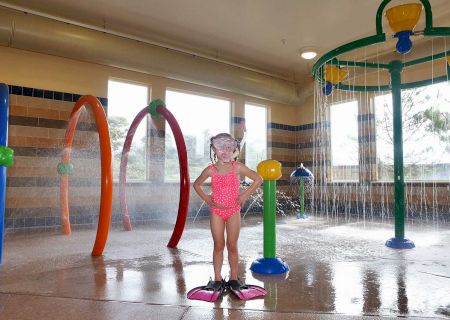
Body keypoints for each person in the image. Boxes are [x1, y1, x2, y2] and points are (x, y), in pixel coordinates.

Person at [193, 133, 262, 289]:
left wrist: (244, 195)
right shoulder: (211, 170)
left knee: (232, 245)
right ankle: (217, 279)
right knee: (218, 245)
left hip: (233, 212)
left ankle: (233, 278)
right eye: (220, 149)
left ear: (233, 150)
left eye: (228, 148)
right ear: (214, 150)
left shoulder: (237, 167)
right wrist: (206, 198)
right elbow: (196, 184)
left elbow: (258, 179)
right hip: (216, 211)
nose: (225, 152)